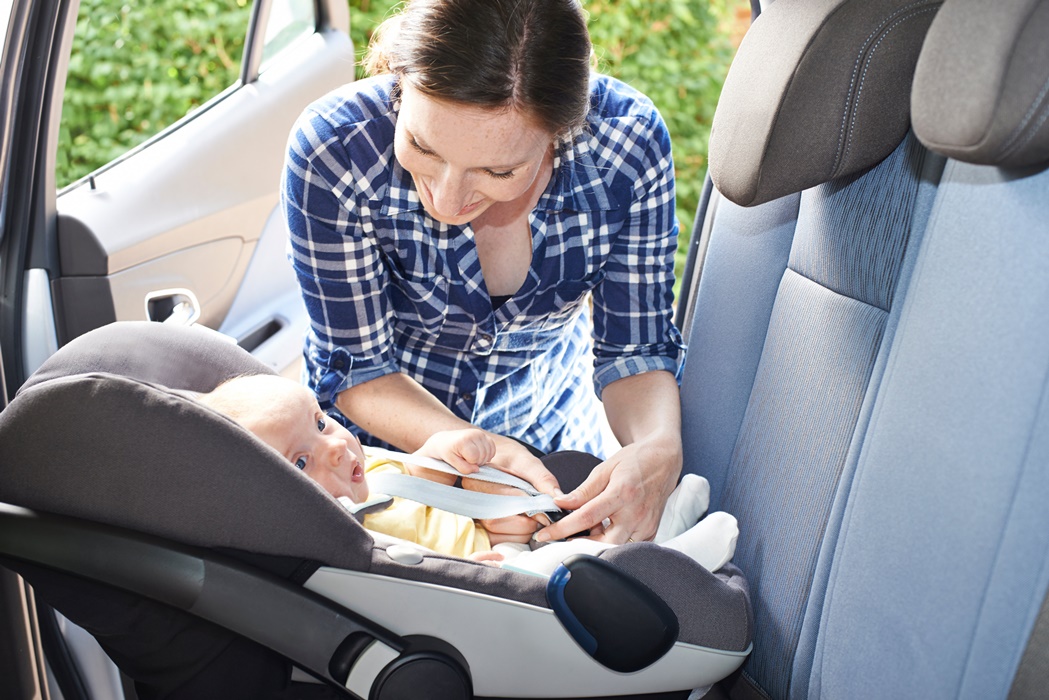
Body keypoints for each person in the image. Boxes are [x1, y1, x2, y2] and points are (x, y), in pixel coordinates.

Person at [281, 0, 686, 547]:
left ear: (561, 134)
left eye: (498, 170)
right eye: (422, 146)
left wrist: (659, 444)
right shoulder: (334, 150)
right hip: (370, 462)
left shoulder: (626, 147)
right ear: (399, 81)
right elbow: (359, 370)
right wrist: (481, 455)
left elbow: (633, 352)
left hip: (544, 438)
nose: (447, 199)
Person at [197, 374, 737, 575]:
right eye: (301, 460)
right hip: (479, 580)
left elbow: (426, 484)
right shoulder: (338, 530)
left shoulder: (371, 467)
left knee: (558, 512)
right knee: (565, 565)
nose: (335, 448)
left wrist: (451, 455)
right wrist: (463, 568)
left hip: (493, 537)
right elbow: (395, 577)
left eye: (320, 422)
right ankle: (676, 563)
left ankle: (664, 529)